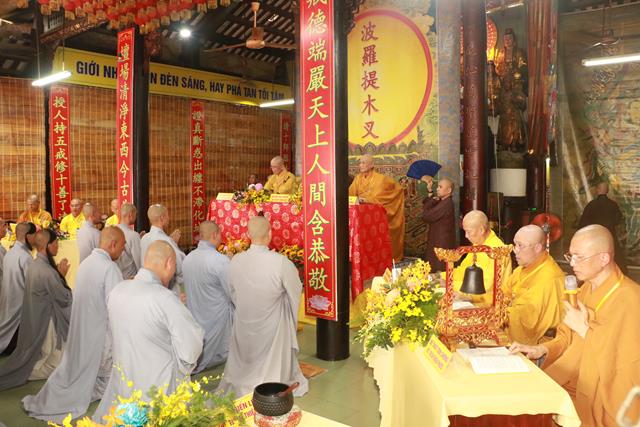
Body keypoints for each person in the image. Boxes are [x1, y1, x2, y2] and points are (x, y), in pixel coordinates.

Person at [510, 225, 640, 425]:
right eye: (571, 256)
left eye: (580, 257)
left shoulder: (630, 299)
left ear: (603, 258)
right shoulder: (584, 289)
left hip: (602, 394)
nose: (572, 263)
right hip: (573, 381)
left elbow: (626, 364)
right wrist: (542, 349)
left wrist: (585, 330)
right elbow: (566, 338)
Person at [23, 227, 126, 423]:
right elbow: (117, 305)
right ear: (113, 244)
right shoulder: (110, 268)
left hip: (85, 326)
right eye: (122, 246)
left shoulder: (86, 263)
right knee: (108, 370)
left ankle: (88, 390)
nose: (123, 250)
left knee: (89, 370)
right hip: (101, 328)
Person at [93, 241, 203, 422]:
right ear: (169, 264)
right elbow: (190, 347)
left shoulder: (117, 291)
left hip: (125, 379)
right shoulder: (164, 298)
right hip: (157, 385)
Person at [217, 216, 308, 398]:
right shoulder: (280, 262)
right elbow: (295, 290)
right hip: (272, 325)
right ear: (270, 234)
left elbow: (232, 291)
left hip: (245, 321)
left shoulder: (236, 260)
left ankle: (242, 382)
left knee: (244, 361)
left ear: (248, 235)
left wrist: (246, 304)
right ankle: (268, 384)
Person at [0, 229, 72, 391]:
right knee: (58, 364)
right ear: (48, 245)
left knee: (42, 357)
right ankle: (28, 371)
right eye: (56, 243)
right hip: (47, 323)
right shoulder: (47, 271)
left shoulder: (35, 263)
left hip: (36, 318)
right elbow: (64, 298)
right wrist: (61, 275)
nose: (58, 246)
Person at [183, 221, 234, 373]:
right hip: (216, 316)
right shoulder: (220, 260)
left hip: (195, 314)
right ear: (215, 235)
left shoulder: (188, 258)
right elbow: (232, 291)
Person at [502, 225, 564, 345]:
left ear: (537, 248)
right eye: (515, 245)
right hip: (512, 333)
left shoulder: (548, 277)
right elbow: (503, 294)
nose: (515, 250)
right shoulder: (522, 270)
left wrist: (494, 315)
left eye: (521, 246)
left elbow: (527, 318)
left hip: (540, 346)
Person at [349, 154, 405, 261]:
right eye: (360, 163)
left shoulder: (381, 179)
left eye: (363, 162)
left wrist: (365, 199)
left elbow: (396, 190)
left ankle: (381, 259)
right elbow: (350, 195)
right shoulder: (358, 179)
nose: (360, 165)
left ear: (372, 165)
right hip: (361, 215)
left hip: (376, 215)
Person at [451, 210, 511, 306]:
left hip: (489, 305)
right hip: (471, 298)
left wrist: (451, 285)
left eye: (468, 232)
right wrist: (443, 277)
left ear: (481, 230)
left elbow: (485, 287)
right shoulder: (478, 245)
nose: (466, 236)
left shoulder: (496, 250)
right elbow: (463, 271)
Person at [0, 222, 36, 355]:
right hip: (19, 309)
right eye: (34, 236)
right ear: (28, 236)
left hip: (8, 302)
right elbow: (34, 285)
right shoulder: (25, 257)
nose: (36, 240)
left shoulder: (10, 253)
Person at [578, 181, 626, 273]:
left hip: (594, 237)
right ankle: (617, 272)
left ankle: (594, 271)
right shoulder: (613, 205)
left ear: (598, 190)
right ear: (607, 191)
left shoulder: (592, 205)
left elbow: (583, 222)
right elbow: (618, 219)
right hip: (610, 234)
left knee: (594, 255)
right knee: (614, 254)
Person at [140, 204, 185, 292]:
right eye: (167, 215)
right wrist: (173, 244)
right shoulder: (167, 240)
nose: (169, 218)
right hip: (165, 288)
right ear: (162, 218)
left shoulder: (144, 238)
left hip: (146, 285)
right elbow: (181, 266)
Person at [421, 177, 456, 272]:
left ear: (449, 190)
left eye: (440, 187)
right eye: (437, 187)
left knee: (439, 267)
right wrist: (430, 191)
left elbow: (426, 216)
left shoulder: (446, 204)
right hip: (438, 238)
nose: (437, 189)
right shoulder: (443, 201)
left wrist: (433, 200)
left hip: (441, 242)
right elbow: (427, 204)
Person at [116, 203, 142, 279]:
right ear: (130, 215)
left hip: (116, 276)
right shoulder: (133, 235)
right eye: (135, 215)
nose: (136, 217)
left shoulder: (114, 231)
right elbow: (139, 260)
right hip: (130, 277)